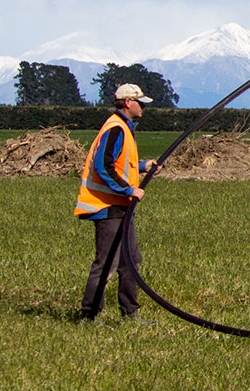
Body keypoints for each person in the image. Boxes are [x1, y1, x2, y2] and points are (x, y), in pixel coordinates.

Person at [74, 83, 160, 324]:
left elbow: (123, 164)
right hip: (107, 206)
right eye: (140, 102)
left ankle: (130, 312)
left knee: (131, 260)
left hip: (121, 206)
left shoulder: (125, 128)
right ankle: (89, 316)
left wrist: (144, 166)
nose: (143, 107)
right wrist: (128, 189)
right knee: (107, 264)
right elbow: (104, 166)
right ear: (127, 103)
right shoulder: (115, 129)